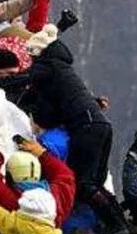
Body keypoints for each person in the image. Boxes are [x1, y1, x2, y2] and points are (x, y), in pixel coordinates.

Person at [18, 23, 113, 202]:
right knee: (95, 182)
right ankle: (116, 222)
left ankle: (115, 224)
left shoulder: (47, 66)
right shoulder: (63, 68)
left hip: (85, 126)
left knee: (81, 183)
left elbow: (23, 78)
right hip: (100, 124)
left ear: (37, 53)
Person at [0, 137, 77, 227]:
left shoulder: (16, 203)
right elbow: (66, 174)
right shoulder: (58, 196)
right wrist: (42, 154)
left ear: (10, 176)